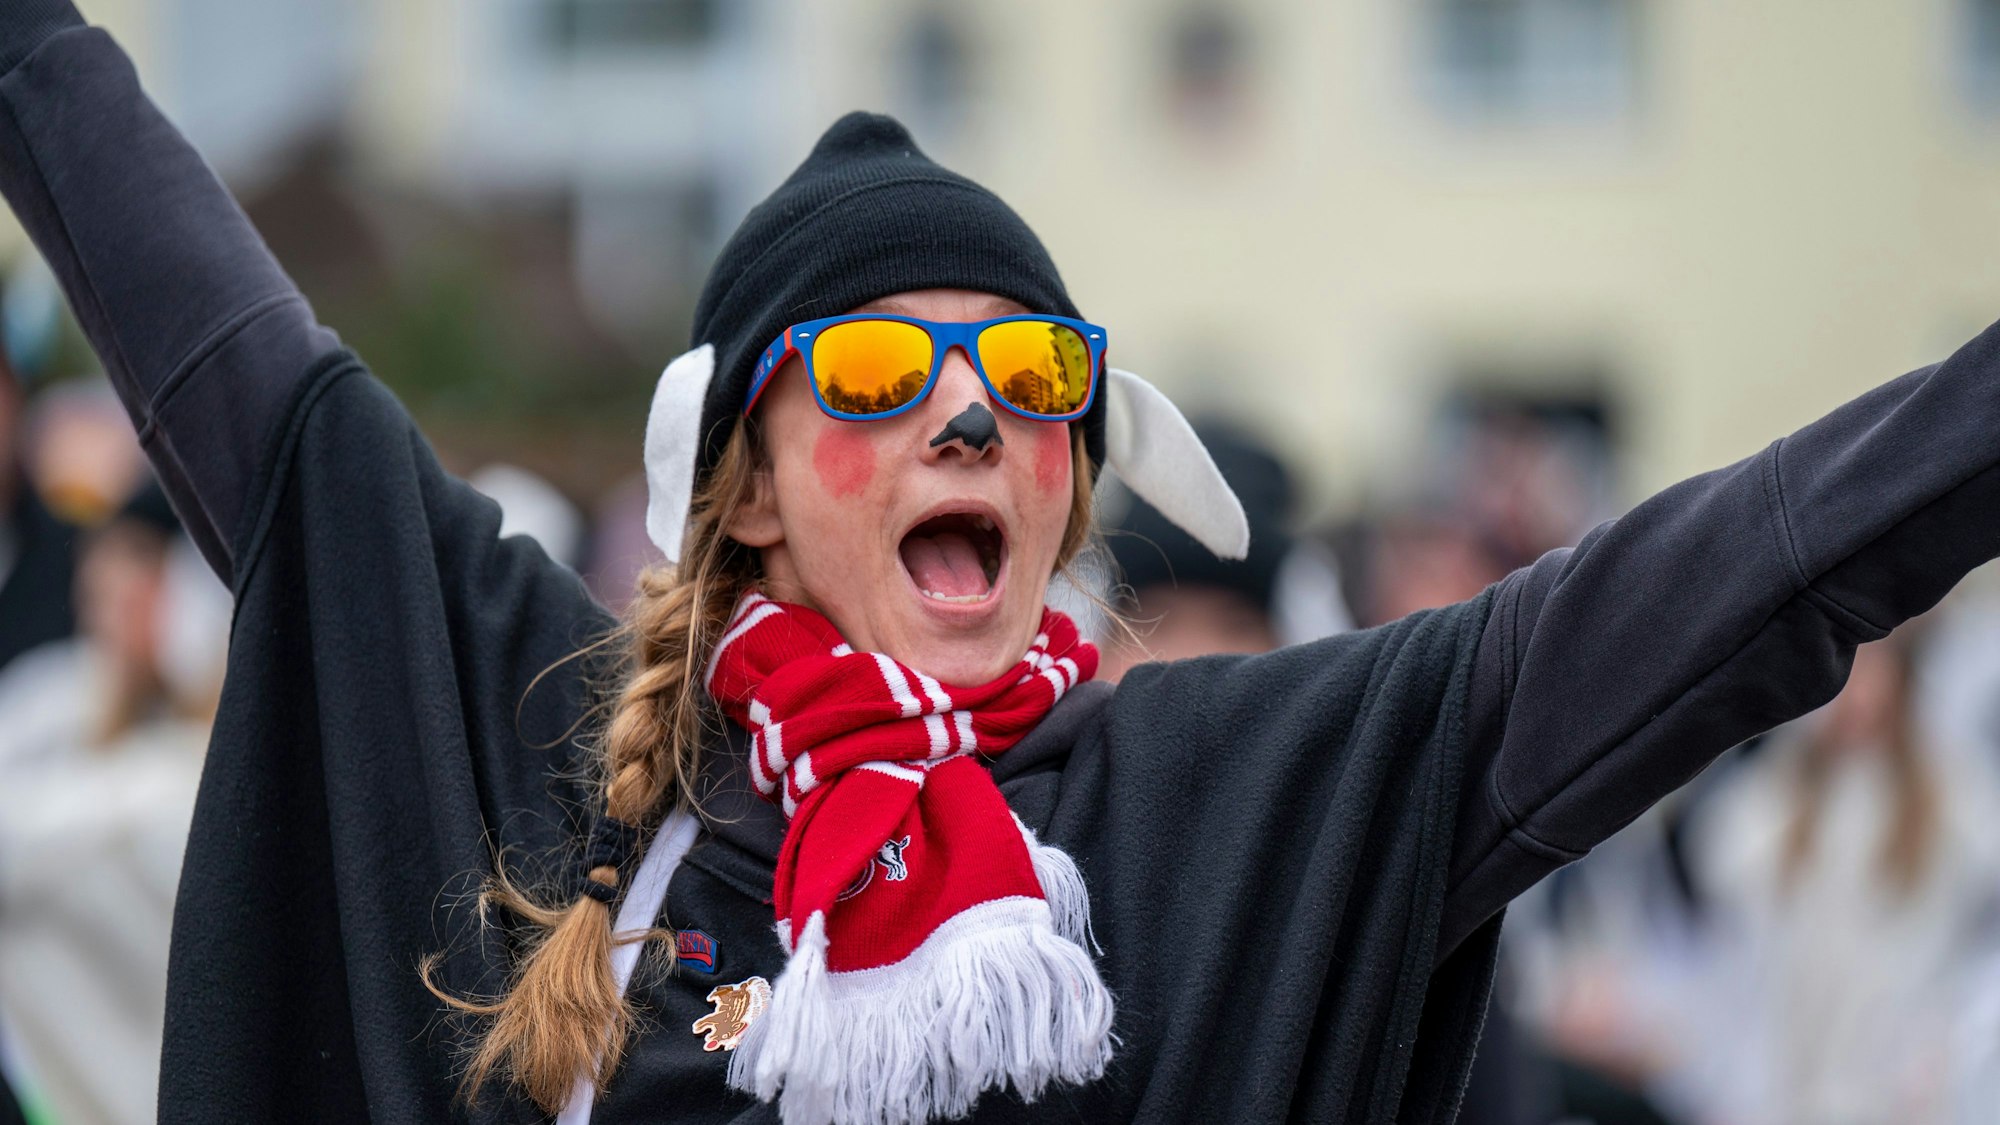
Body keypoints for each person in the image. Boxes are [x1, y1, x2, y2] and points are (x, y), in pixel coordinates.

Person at [3, 5, 2000, 1123]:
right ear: (746, 485)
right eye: (878, 373)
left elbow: (1748, 572)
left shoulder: (1230, 788)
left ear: (1069, 467)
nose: (966, 415)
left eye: (1032, 375)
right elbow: (249, 372)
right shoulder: (558, 747)